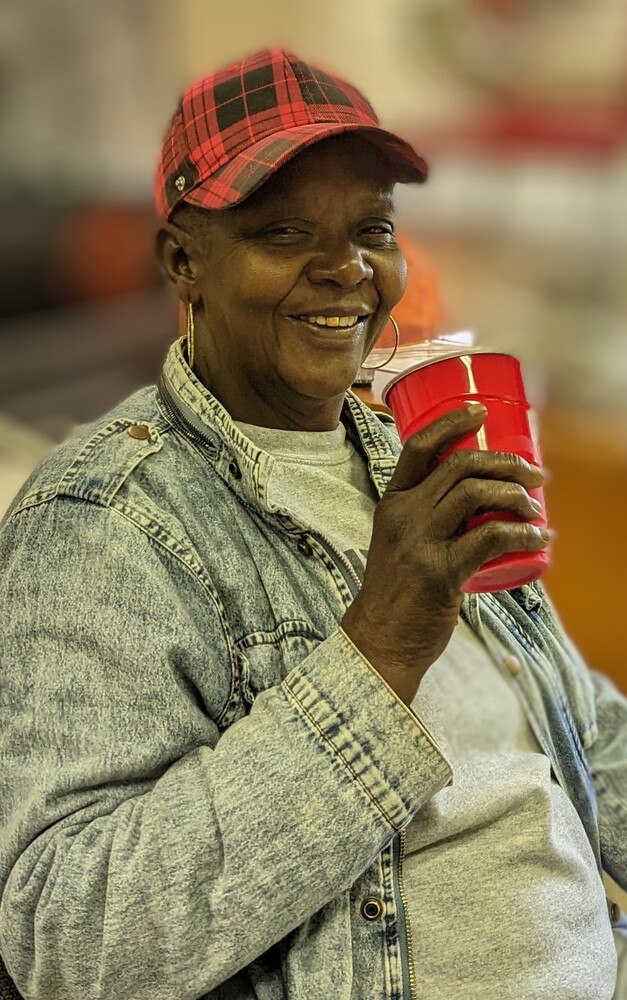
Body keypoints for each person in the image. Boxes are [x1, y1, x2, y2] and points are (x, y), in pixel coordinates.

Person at [0, 47, 625, 1000]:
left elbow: (591, 741)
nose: (346, 271)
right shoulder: (103, 523)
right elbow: (70, 942)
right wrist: (378, 650)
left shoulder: (411, 462)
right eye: (284, 232)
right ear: (184, 263)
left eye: (372, 228)